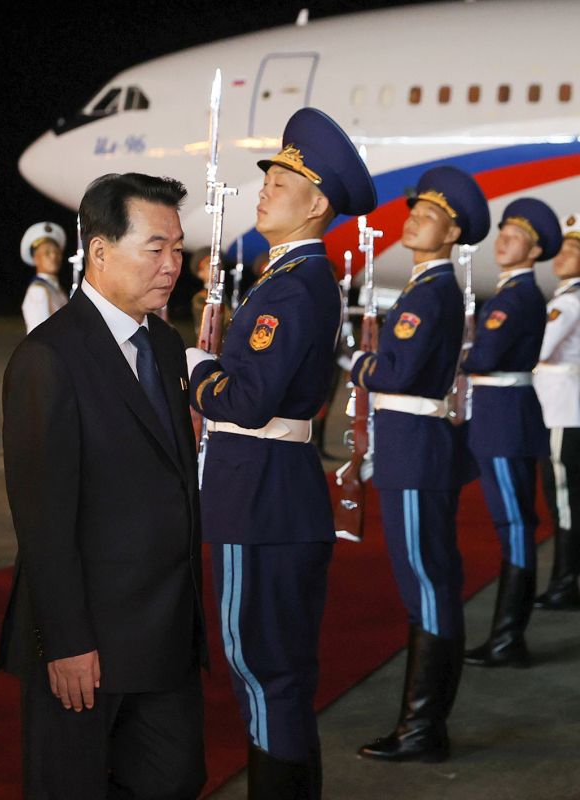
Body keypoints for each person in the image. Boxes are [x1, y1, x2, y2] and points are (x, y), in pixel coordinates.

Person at [186, 107, 376, 797]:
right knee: (280, 672)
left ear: (317, 203)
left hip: (258, 498)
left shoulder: (292, 285)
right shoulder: (291, 277)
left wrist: (196, 369)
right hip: (274, 491)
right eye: (266, 179)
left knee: (260, 668)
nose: (263, 190)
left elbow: (245, 401)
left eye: (281, 182)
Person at [0, 173, 206, 799]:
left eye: (178, 248)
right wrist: (66, 641)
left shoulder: (164, 344)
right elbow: (42, 518)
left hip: (165, 635)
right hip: (87, 645)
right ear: (99, 251)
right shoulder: (50, 357)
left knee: (174, 781)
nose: (172, 265)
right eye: (155, 248)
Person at [351, 166, 490, 762]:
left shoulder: (430, 291)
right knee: (428, 582)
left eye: (429, 216)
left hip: (415, 450)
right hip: (413, 446)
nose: (413, 221)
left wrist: (358, 363)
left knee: (428, 586)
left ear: (453, 232)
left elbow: (398, 371)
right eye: (414, 211)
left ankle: (422, 729)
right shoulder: (424, 286)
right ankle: (422, 724)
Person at [461, 198, 560, 668]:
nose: (503, 240)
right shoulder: (513, 292)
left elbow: (484, 357)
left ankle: (507, 638)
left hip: (505, 419)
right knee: (512, 522)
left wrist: (452, 352)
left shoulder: (516, 296)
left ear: (535, 250)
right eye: (503, 232)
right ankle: (507, 635)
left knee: (515, 524)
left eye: (515, 236)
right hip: (502, 415)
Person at [532, 212, 580, 609]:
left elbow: (540, 349)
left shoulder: (567, 303)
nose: (561, 256)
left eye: (572, 250)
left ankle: (565, 584)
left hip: (562, 413)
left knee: (564, 501)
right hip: (563, 411)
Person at [19, 221, 68, 333]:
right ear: (36, 259)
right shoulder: (38, 291)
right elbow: (39, 336)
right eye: (47, 253)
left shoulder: (57, 289)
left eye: (57, 252)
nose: (53, 256)